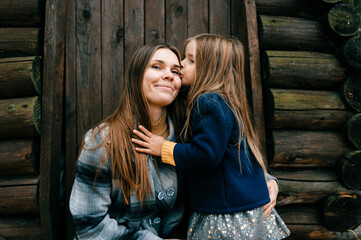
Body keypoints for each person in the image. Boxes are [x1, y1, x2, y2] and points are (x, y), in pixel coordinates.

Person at [131, 34, 291, 239]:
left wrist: (163, 148)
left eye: (190, 60)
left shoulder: (208, 102)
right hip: (236, 209)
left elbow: (208, 154)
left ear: (209, 68)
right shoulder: (219, 101)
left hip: (226, 213)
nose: (181, 64)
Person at [70, 42, 188, 240]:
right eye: (157, 67)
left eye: (175, 71)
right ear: (137, 75)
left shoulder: (187, 138)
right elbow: (89, 225)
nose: (169, 75)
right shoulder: (102, 140)